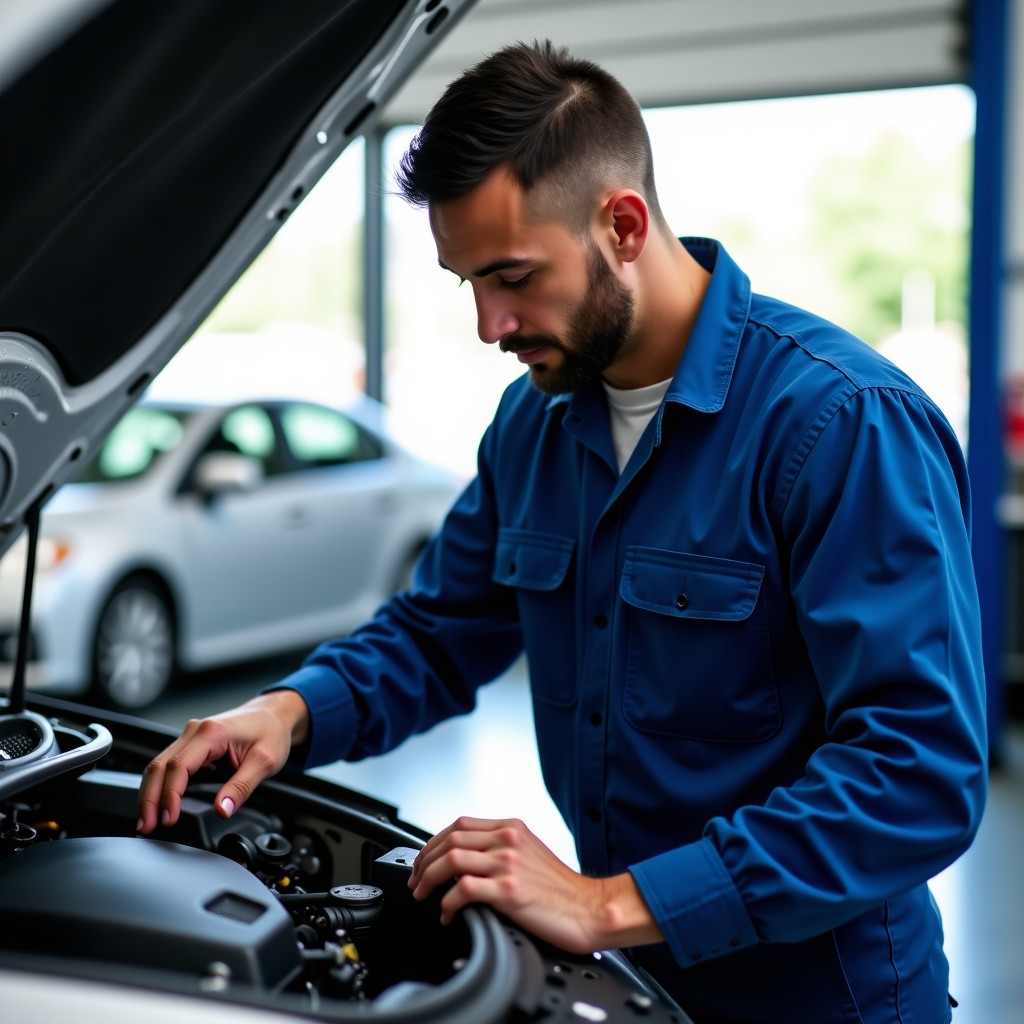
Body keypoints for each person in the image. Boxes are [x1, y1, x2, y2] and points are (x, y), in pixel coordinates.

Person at [138, 41, 987, 1024]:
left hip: (819, 999)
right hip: (631, 982)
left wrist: (607, 901)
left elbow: (915, 770)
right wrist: (289, 712)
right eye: (467, 284)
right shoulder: (533, 425)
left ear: (622, 223)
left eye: (512, 276)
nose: (490, 324)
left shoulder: (839, 423)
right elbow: (439, 629)